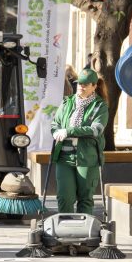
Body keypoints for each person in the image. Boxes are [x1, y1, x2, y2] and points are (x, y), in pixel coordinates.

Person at [50, 68, 109, 214]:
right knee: (64, 196)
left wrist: (69, 131)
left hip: (87, 157)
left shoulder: (100, 106)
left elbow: (96, 130)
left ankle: (84, 230)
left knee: (85, 197)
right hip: (64, 157)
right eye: (79, 83)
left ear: (94, 86)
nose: (81, 86)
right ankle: (64, 228)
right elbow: (55, 123)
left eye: (85, 84)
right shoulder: (67, 102)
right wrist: (57, 131)